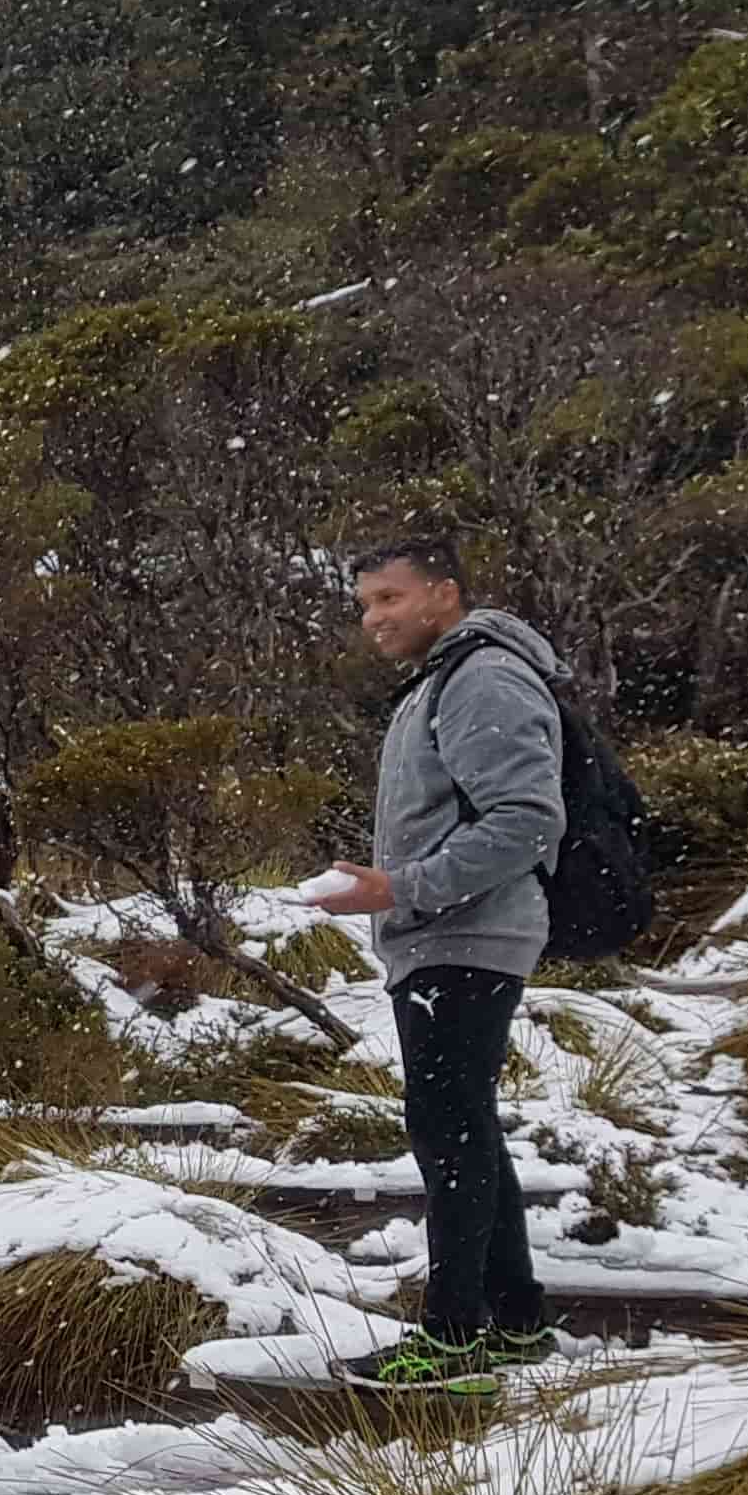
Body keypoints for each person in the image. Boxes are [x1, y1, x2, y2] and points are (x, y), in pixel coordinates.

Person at [312, 538, 567, 1393]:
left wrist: (402, 887)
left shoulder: (481, 677)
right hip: (445, 936)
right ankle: (517, 1320)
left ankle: (455, 1336)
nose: (373, 619)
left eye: (390, 598)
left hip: (467, 936)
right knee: (463, 1125)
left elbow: (528, 818)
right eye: (364, 605)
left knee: (447, 1129)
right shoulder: (443, 681)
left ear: (445, 594)